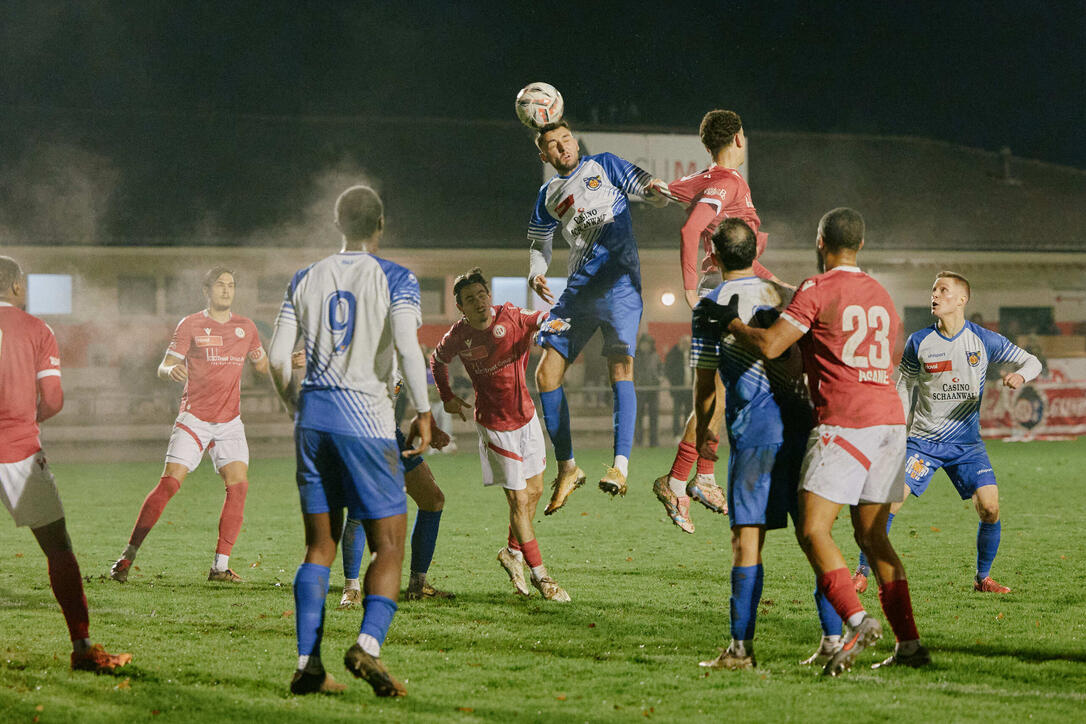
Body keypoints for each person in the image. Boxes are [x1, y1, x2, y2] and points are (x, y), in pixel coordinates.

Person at [708, 208, 929, 674]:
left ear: (820, 241)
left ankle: (855, 621)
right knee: (872, 537)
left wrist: (732, 325)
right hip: (889, 424)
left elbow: (770, 346)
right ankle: (909, 645)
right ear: (861, 245)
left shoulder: (818, 288)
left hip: (846, 424)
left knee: (813, 530)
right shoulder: (881, 295)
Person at [268, 184, 431, 697]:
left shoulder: (304, 277)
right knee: (389, 542)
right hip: (366, 418)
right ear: (381, 224)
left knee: (319, 545)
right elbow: (407, 347)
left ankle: (307, 666)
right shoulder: (397, 278)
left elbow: (276, 358)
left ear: (337, 225)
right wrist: (425, 412)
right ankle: (368, 645)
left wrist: (294, 403)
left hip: (313, 419)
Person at [684, 221, 843, 669]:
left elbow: (705, 382)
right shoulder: (787, 293)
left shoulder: (709, 305)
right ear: (755, 250)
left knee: (747, 540)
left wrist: (702, 437)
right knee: (816, 536)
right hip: (803, 426)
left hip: (754, 433)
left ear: (713, 257)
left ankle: (740, 649)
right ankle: (833, 639)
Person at [851, 272, 1041, 594]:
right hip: (923, 443)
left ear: (962, 300)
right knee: (889, 504)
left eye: (943, 290)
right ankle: (862, 572)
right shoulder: (919, 341)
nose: (935, 295)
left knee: (991, 508)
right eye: (933, 290)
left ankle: (983, 579)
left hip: (967, 444)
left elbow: (1032, 362)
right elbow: (904, 386)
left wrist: (1020, 377)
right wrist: (897, 430)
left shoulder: (983, 340)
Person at [650, 110, 791, 528]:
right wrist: (691, 287)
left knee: (715, 395)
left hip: (729, 290)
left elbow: (670, 190)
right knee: (734, 392)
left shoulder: (707, 179)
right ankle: (698, 478)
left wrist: (785, 288)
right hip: (725, 297)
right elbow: (691, 230)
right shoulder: (728, 183)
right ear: (738, 139)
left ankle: (684, 481)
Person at [526, 120, 668, 511]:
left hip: (621, 282)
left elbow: (645, 184)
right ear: (544, 155)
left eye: (566, 140)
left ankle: (620, 467)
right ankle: (568, 467)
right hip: (580, 288)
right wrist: (536, 270)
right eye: (552, 146)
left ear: (575, 140)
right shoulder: (548, 194)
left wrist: (655, 192)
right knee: (545, 374)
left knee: (621, 369)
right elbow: (539, 242)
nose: (562, 148)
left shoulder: (603, 165)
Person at [0, 256, 131, 673]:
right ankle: (82, 647)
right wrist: (24, 418)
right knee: (58, 549)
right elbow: (53, 399)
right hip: (18, 452)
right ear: (17, 287)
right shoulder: (37, 329)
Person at [110, 266, 268, 584]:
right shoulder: (191, 324)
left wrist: (276, 362)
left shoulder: (246, 327)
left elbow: (263, 366)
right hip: (194, 418)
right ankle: (127, 557)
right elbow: (165, 364)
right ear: (206, 290)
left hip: (229, 422)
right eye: (220, 285)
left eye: (231, 285)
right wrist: (170, 371)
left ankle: (220, 567)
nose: (226, 290)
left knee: (238, 486)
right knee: (170, 483)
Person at [431, 268, 572, 602]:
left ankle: (512, 551)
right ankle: (543, 578)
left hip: (526, 419)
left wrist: (552, 325)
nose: (479, 302)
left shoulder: (511, 316)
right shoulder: (457, 336)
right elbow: (437, 362)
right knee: (519, 500)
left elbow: (542, 318)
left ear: (488, 296)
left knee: (535, 491)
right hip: (495, 426)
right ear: (460, 307)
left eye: (482, 295)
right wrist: (447, 397)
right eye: (470, 299)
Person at [288, 352, 454, 608]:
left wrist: (429, 423)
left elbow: (414, 390)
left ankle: (417, 585)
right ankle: (352, 588)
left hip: (391, 437)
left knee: (433, 499)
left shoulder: (399, 350)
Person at [634, 333, 660, 448]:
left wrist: (659, 378)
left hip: (653, 390)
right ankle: (638, 440)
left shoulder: (655, 356)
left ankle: (653, 441)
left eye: (648, 344)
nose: (646, 346)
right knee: (638, 417)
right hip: (639, 390)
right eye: (644, 343)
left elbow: (660, 369)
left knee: (653, 417)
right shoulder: (635, 356)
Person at [664, 337, 692, 435]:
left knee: (689, 412)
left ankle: (687, 433)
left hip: (690, 389)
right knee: (677, 412)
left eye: (688, 342)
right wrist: (674, 382)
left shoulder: (693, 354)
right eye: (684, 342)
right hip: (678, 389)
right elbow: (669, 370)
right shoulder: (674, 354)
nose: (686, 345)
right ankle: (676, 433)